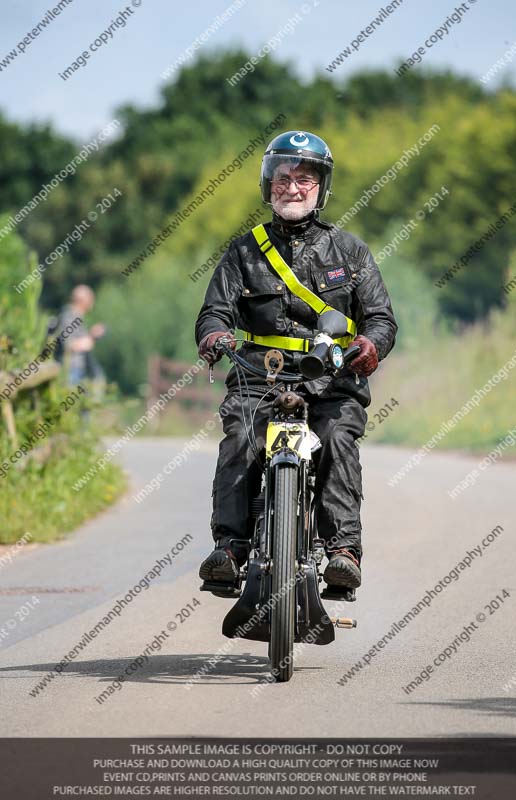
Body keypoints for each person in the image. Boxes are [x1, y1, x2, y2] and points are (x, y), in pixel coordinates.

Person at [195, 130, 397, 591]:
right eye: (283, 177)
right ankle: (229, 549)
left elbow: (381, 317)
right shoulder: (242, 251)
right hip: (257, 376)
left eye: (305, 178)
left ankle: (344, 553)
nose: (293, 187)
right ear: (268, 185)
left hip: (331, 382)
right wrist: (214, 335)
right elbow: (214, 311)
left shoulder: (350, 251)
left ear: (321, 187)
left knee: (336, 439)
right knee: (241, 440)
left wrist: (369, 347)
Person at [55, 285, 106, 387]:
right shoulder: (69, 317)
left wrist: (91, 335)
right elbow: (68, 344)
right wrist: (89, 340)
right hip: (70, 369)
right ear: (83, 301)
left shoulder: (76, 317)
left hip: (75, 369)